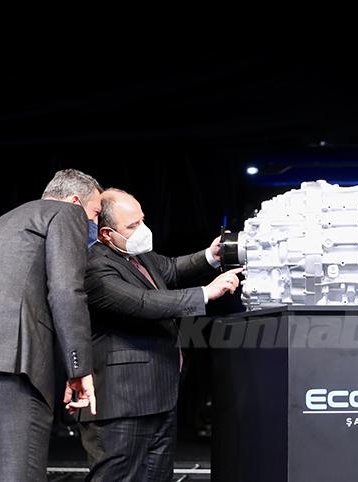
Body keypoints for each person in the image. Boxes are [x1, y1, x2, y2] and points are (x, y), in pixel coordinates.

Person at [0, 168, 102, 481]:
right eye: (95, 213)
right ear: (76, 201)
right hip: (11, 367)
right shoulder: (66, 214)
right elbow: (66, 291)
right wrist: (79, 368)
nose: (95, 222)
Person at [79, 188, 242, 481]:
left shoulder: (137, 256)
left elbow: (172, 269)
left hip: (159, 397)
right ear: (106, 234)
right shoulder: (95, 267)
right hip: (122, 403)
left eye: (142, 220)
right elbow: (144, 303)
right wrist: (206, 293)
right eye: (132, 226)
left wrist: (211, 255)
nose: (142, 229)